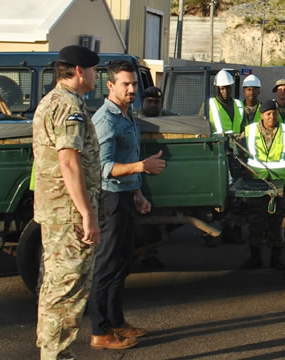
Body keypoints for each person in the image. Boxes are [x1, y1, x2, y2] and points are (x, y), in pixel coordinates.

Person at [32, 45, 106, 359]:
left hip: (57, 212)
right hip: (68, 214)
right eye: (92, 70)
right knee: (67, 289)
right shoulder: (67, 106)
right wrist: (87, 213)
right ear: (79, 71)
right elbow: (69, 163)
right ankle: (57, 354)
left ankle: (51, 351)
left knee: (54, 285)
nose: (95, 75)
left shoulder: (51, 102)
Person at [89, 60, 166, 350]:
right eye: (126, 84)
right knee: (106, 265)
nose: (132, 89)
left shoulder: (127, 115)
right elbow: (103, 166)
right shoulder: (106, 120)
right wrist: (141, 166)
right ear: (110, 86)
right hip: (109, 199)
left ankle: (116, 321)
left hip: (124, 195)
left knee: (122, 263)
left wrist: (138, 194)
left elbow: (125, 162)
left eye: (134, 83)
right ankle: (100, 330)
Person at [238, 99, 285, 270]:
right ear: (262, 115)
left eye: (274, 113)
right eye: (268, 114)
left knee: (277, 222)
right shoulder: (250, 131)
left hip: (279, 183)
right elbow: (237, 149)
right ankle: (255, 257)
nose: (272, 117)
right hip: (257, 183)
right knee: (256, 220)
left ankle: (276, 258)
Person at [135, 86, 173, 269]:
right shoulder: (135, 118)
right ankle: (144, 253)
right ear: (143, 101)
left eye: (156, 102)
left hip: (160, 177)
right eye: (149, 101)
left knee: (161, 221)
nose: (153, 105)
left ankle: (150, 253)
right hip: (138, 177)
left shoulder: (168, 118)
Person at [209, 70, 245, 134]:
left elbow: (243, 126)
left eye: (227, 88)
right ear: (217, 89)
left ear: (231, 87)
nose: (225, 91)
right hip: (217, 142)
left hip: (236, 141)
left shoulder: (239, 104)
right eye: (222, 89)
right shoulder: (209, 105)